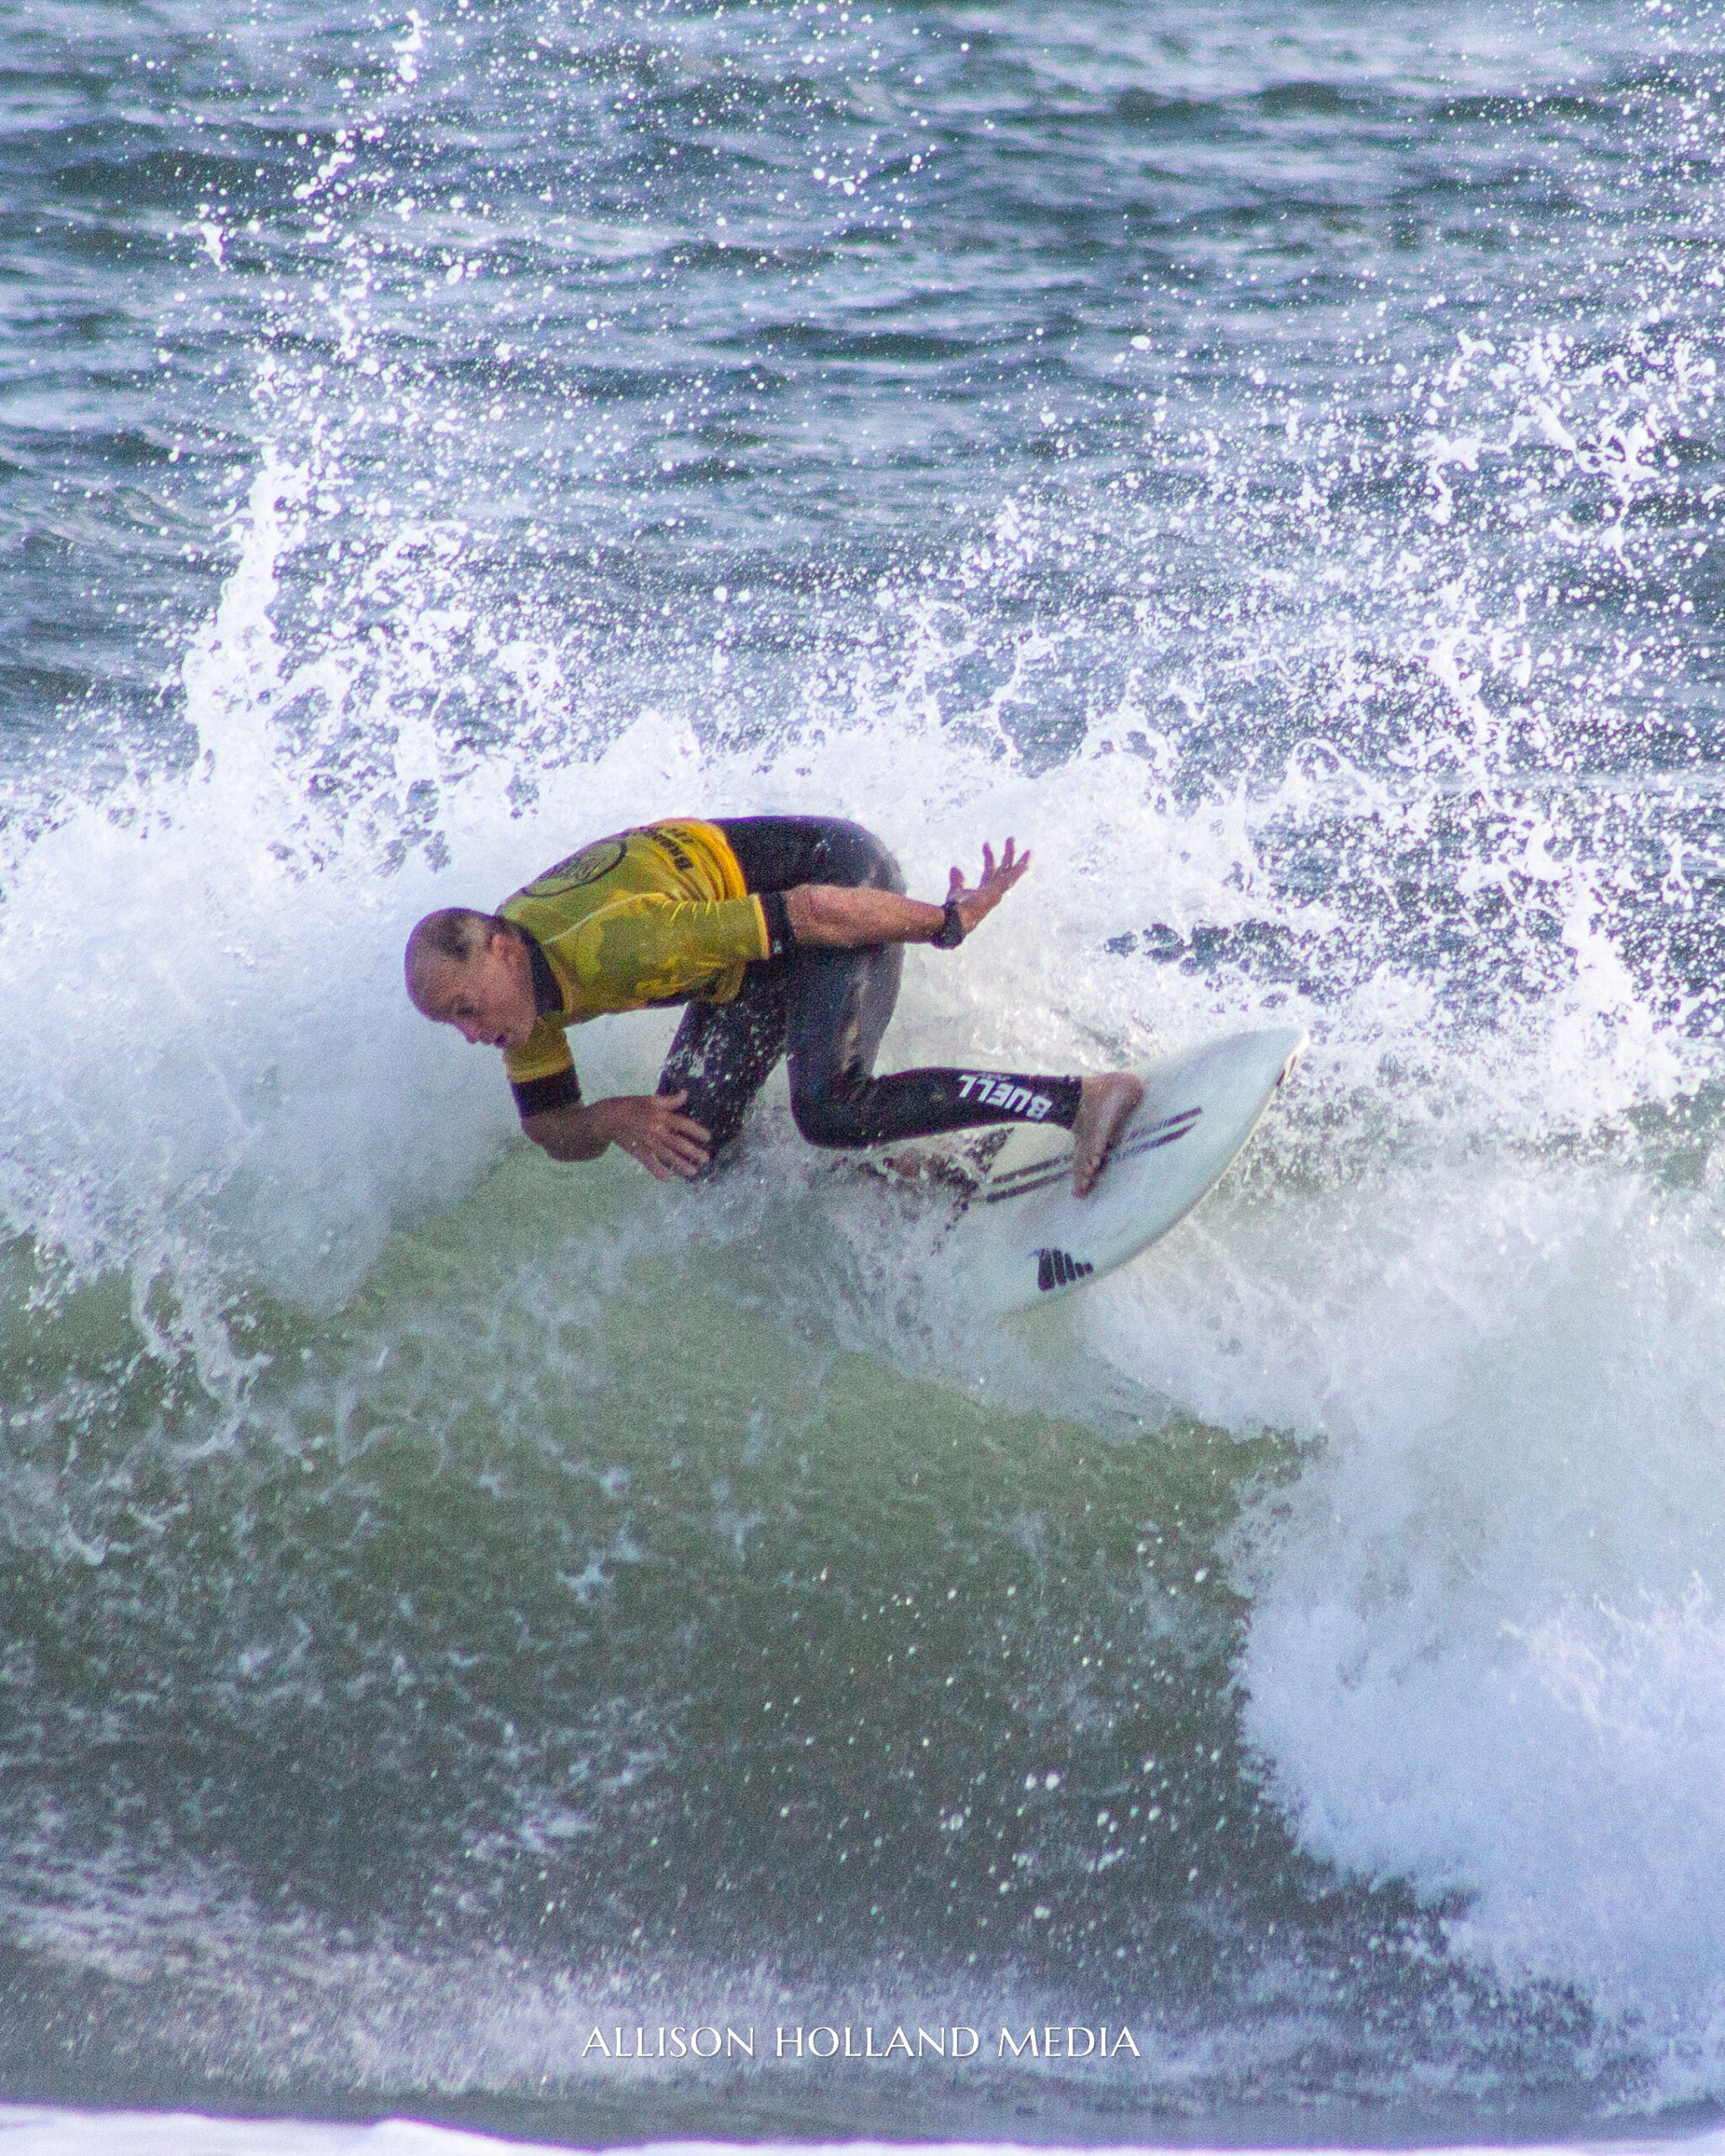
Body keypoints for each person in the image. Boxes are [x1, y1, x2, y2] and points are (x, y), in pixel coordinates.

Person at [404, 815, 1143, 1193]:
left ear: (501, 950)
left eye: (466, 1009)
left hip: (836, 881)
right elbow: (548, 1126)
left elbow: (814, 912)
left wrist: (950, 921)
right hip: (747, 962)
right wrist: (611, 1117)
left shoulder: (618, 945)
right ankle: (918, 1165)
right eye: (453, 1023)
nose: (470, 1034)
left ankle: (1081, 1100)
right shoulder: (517, 999)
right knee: (693, 1152)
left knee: (828, 1107)